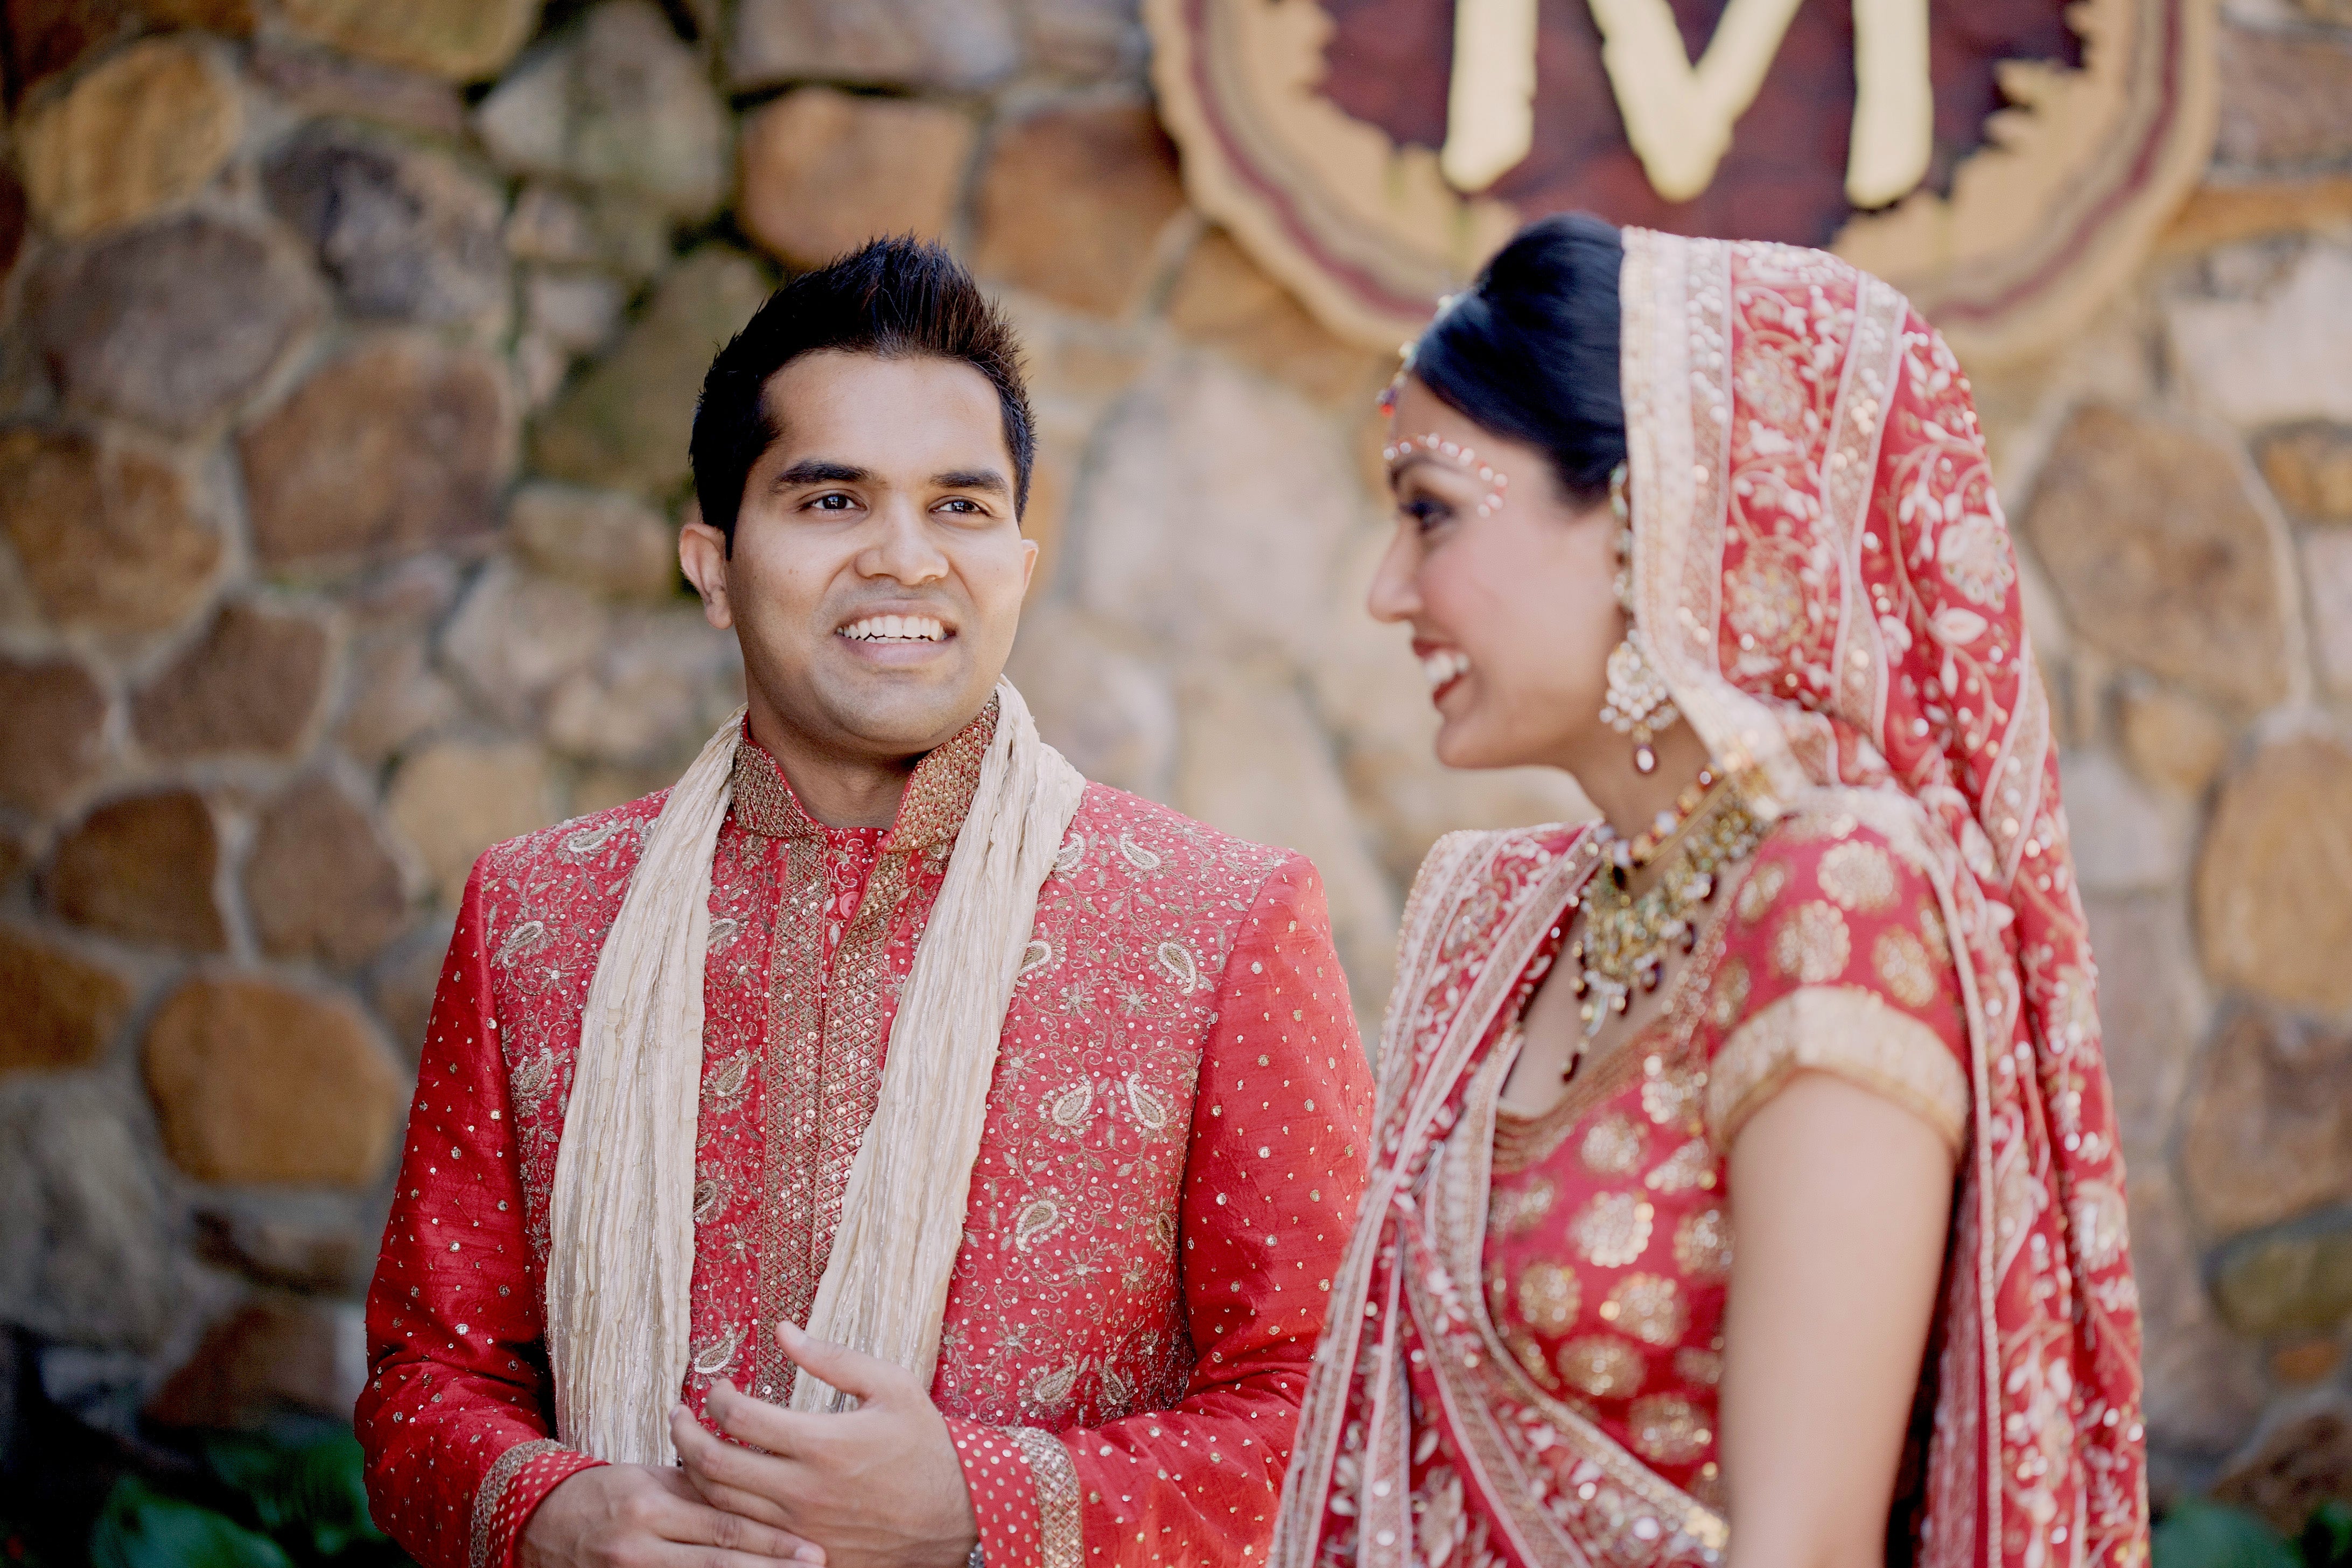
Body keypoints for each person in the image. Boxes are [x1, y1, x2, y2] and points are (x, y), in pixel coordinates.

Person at [357, 237, 1375, 1568]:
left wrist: (979, 1503)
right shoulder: (542, 918)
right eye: (832, 502)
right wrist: (549, 1511)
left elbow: (1340, 1411)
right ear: (713, 566)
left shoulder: (1219, 924)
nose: (906, 558)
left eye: (960, 507)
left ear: (1019, 557)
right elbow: (424, 1376)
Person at [1272, 218, 2146, 1568]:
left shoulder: (1830, 891)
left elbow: (1801, 1549)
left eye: (1432, 510)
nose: (1391, 591)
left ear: (1644, 516)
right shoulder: (1501, 921)